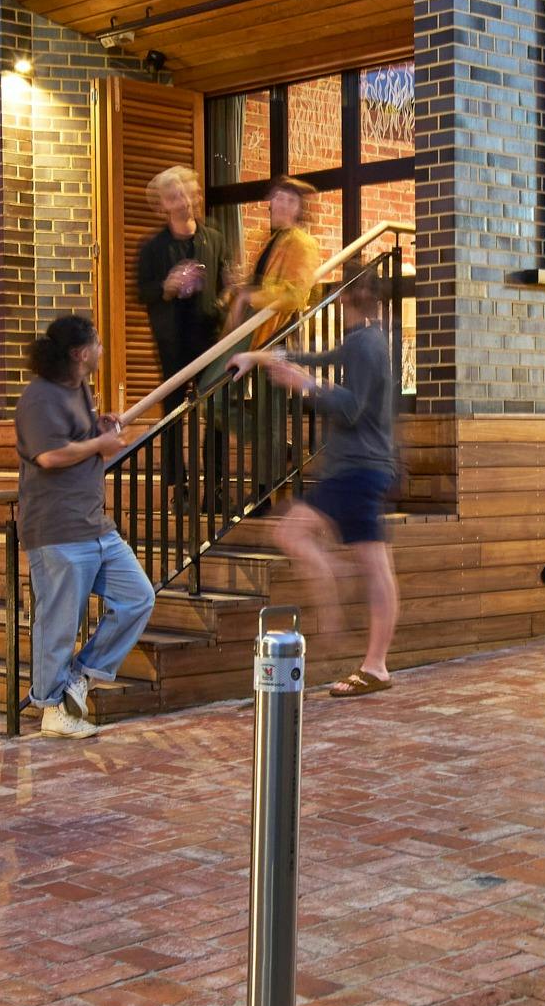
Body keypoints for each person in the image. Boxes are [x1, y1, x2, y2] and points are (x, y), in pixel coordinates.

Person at [250, 266, 402, 698]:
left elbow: (352, 408)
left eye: (337, 294)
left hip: (358, 469)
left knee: (295, 533)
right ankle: (375, 663)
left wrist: (305, 384)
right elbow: (325, 360)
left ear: (345, 298)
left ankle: (368, 653)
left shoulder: (368, 344)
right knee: (372, 564)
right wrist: (266, 359)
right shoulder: (362, 342)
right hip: (358, 468)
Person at [17, 314, 155, 740]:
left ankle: (81, 675)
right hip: (57, 528)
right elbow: (49, 456)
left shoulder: (79, 387)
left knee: (137, 597)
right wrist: (100, 444)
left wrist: (97, 428)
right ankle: (51, 707)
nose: (101, 349)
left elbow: (73, 438)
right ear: (80, 353)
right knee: (58, 623)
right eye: (96, 343)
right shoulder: (38, 398)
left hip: (95, 523)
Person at [129, 166, 228, 385]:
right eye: (173, 198)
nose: (184, 202)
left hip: (209, 335)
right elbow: (142, 293)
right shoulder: (152, 248)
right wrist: (166, 287)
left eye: (184, 194)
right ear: (162, 206)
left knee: (213, 402)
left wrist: (224, 304)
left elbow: (226, 285)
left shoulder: (215, 239)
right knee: (174, 405)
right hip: (172, 341)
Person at [225, 177, 326, 341]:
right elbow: (263, 281)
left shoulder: (303, 243)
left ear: (299, 209)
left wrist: (249, 297)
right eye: (279, 198)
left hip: (277, 332)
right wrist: (242, 286)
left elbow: (296, 295)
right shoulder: (272, 239)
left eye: (291, 201)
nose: (283, 205)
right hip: (256, 324)